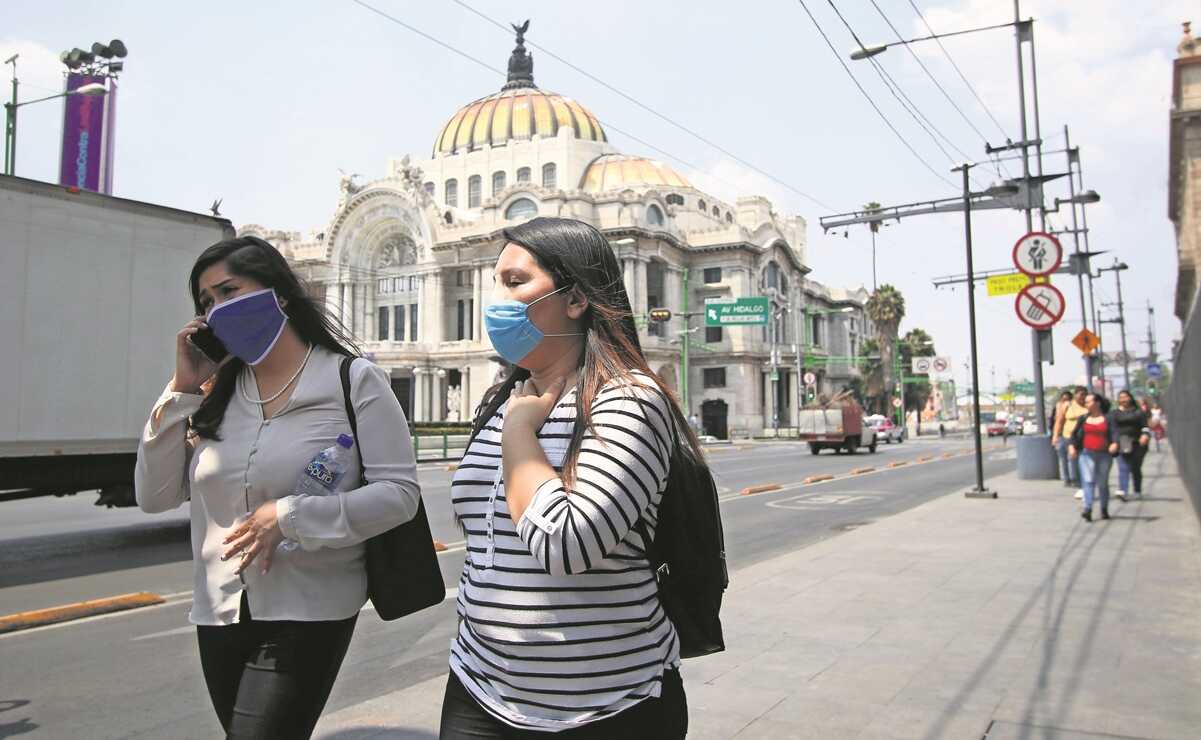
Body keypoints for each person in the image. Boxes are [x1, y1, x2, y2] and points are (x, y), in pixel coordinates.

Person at [135, 236, 421, 738]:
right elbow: (154, 496)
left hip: (310, 608)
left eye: (229, 291)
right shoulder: (217, 395)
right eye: (206, 302)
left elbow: (399, 494)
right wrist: (180, 390)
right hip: (219, 610)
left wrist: (286, 516)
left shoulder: (353, 380)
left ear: (278, 295)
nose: (217, 310)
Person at [439, 218, 696, 738]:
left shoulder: (627, 400)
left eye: (516, 283)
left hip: (607, 705)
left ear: (575, 298)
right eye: (497, 284)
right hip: (479, 690)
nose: (497, 302)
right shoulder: (506, 398)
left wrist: (519, 434)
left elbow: (567, 544)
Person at [1068, 393, 1120, 522]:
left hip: (1104, 454)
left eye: (1088, 402)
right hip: (1086, 454)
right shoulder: (1083, 418)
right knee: (1088, 481)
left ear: (1097, 403)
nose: (1086, 404)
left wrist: (1115, 443)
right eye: (1085, 402)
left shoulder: (1108, 418)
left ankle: (1104, 508)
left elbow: (1115, 433)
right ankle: (1088, 509)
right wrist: (1072, 446)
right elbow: (1074, 435)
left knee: (1102, 483)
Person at [1113, 390, 1151, 500]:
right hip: (1121, 443)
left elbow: (1145, 426)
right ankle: (1122, 490)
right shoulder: (1115, 413)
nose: (1123, 399)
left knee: (1135, 468)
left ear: (1130, 398)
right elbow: (1112, 428)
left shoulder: (1138, 412)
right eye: (1121, 397)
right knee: (1123, 467)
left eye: (1126, 397)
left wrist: (1145, 434)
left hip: (1137, 443)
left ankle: (1137, 490)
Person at [1051, 388, 1085, 491]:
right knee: (1067, 459)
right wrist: (1055, 436)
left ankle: (1078, 480)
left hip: (1083, 438)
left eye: (1084, 394)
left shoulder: (1088, 405)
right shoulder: (1067, 406)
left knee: (1077, 460)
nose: (1081, 397)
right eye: (1080, 394)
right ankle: (1070, 479)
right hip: (1066, 436)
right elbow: (1059, 421)